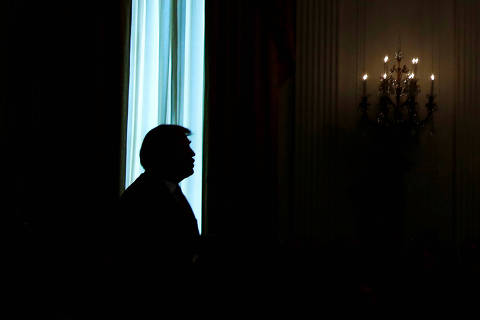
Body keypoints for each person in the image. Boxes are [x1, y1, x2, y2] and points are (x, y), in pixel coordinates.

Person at [109, 124, 200, 315]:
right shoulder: (142, 199)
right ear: (165, 153)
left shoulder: (167, 191)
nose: (192, 154)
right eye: (185, 148)